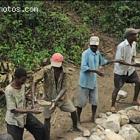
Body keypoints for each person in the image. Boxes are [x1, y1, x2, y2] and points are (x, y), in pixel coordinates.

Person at [32, 53, 80, 140]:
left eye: (57, 66)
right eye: (54, 65)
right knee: (47, 118)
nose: (55, 67)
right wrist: (33, 97)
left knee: (73, 110)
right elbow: (34, 81)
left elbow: (64, 88)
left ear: (62, 63)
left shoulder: (65, 72)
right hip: (48, 99)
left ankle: (75, 126)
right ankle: (46, 137)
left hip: (61, 98)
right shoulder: (46, 70)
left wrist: (56, 100)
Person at [5, 68, 46, 140]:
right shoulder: (9, 90)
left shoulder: (22, 85)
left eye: (25, 79)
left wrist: (33, 100)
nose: (24, 82)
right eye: (22, 80)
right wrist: (32, 111)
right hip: (14, 120)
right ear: (16, 78)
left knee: (40, 129)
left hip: (24, 116)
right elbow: (13, 110)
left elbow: (23, 96)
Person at [76, 35, 109, 123]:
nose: (94, 47)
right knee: (81, 102)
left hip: (93, 82)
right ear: (89, 45)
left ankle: (93, 117)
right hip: (85, 82)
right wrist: (96, 71)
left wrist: (111, 61)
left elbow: (102, 61)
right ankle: (78, 119)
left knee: (95, 101)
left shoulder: (97, 53)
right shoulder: (85, 54)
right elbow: (83, 67)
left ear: (98, 46)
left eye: (95, 46)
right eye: (92, 45)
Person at [111, 28, 140, 112]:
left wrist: (134, 61)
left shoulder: (134, 44)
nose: (137, 36)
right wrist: (132, 64)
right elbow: (119, 60)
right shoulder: (121, 46)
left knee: (138, 82)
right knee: (117, 88)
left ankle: (134, 100)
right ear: (130, 36)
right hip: (120, 71)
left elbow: (133, 56)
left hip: (130, 70)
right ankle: (112, 105)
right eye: (135, 34)